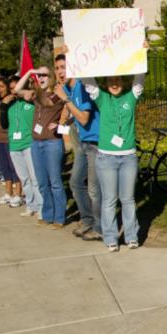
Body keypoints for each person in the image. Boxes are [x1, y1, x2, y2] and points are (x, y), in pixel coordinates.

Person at [82, 72, 145, 252]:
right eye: (111, 81)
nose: (114, 84)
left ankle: (131, 236)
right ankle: (111, 237)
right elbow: (89, 81)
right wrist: (75, 59)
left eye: (117, 80)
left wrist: (142, 54)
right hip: (106, 158)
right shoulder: (102, 99)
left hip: (128, 158)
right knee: (109, 200)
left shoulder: (130, 98)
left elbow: (139, 81)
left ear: (123, 82)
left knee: (128, 199)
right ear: (106, 83)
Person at [53, 54, 103, 241]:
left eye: (63, 67)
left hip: (95, 143)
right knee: (75, 182)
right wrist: (65, 118)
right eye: (57, 68)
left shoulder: (81, 86)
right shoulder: (68, 87)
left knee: (94, 189)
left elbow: (84, 118)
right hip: (84, 143)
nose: (60, 72)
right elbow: (71, 115)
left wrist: (66, 100)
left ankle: (100, 228)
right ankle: (88, 220)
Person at [14, 67, 67, 228]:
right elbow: (17, 89)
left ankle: (59, 217)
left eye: (44, 75)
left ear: (51, 77)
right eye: (39, 75)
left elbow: (69, 108)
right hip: (36, 143)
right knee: (42, 182)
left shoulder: (58, 93)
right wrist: (29, 72)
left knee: (55, 181)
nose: (41, 77)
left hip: (52, 142)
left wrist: (61, 124)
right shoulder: (36, 93)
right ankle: (47, 214)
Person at [0, 76, 43, 217]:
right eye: (12, 88)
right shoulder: (8, 104)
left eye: (17, 87)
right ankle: (31, 205)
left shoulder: (30, 101)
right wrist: (4, 107)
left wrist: (29, 96)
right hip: (14, 145)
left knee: (34, 177)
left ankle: (42, 207)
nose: (14, 91)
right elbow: (4, 124)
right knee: (23, 178)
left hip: (28, 143)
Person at [0, 77, 22, 207]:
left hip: (8, 138)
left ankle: (18, 194)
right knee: (4, 167)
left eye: (2, 86)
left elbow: (4, 118)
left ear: (7, 87)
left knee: (14, 167)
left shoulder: (10, 100)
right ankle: (8, 193)